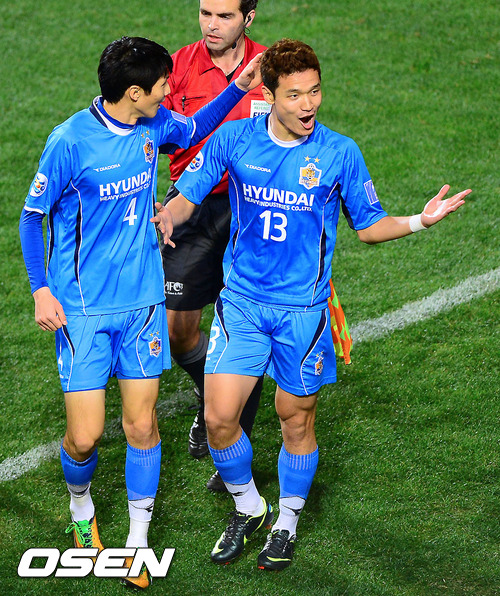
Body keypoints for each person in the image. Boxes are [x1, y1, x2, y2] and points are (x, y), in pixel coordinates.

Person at [152, 38, 471, 571]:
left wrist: (420, 220)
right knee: (219, 419)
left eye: (315, 92)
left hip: (303, 313)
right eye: (295, 95)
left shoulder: (339, 153)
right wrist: (165, 217)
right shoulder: (234, 138)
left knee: (294, 421)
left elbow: (368, 226)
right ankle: (249, 507)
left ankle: (287, 520)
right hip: (243, 304)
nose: (308, 105)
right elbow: (187, 197)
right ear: (269, 95)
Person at [19, 35, 262, 589]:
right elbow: (32, 217)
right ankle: (81, 509)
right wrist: (41, 290)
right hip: (82, 309)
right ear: (134, 92)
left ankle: (137, 538)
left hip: (144, 302)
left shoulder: (155, 123)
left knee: (142, 424)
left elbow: (194, 129)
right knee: (84, 437)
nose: (168, 90)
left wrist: (238, 88)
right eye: (162, 84)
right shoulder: (69, 141)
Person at [159, 0, 268, 492]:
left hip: (253, 208)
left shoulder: (271, 66)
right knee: (178, 332)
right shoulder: (176, 67)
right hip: (191, 205)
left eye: (224, 16)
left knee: (247, 328)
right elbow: (163, 138)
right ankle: (211, 395)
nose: (211, 25)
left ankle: (232, 439)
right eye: (206, 13)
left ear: (248, 17)